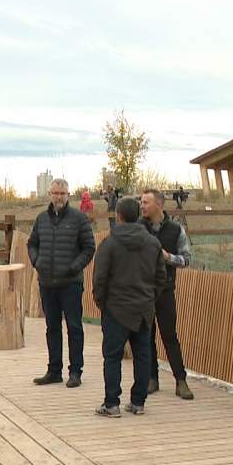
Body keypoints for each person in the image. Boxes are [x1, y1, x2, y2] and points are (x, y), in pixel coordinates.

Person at [92, 197, 168, 417]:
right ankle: (138, 402)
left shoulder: (109, 243)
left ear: (118, 216)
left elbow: (99, 279)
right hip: (143, 309)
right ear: (137, 214)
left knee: (112, 356)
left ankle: (112, 403)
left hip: (116, 309)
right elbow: (160, 277)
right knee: (143, 355)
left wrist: (103, 304)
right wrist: (149, 298)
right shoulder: (153, 243)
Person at [28, 178, 96, 388]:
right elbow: (32, 244)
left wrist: (74, 267)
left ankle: (75, 371)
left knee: (74, 327)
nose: (58, 197)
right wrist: (37, 261)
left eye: (62, 193)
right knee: (52, 327)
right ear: (50, 194)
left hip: (70, 283)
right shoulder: (41, 219)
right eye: (55, 193)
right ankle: (54, 370)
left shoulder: (79, 219)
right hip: (47, 282)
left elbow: (89, 247)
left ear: (69, 195)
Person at [139, 188, 194, 400]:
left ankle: (181, 381)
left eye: (146, 202)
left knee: (169, 336)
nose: (142, 206)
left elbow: (187, 259)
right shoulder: (138, 228)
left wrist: (168, 257)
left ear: (159, 205)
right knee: (146, 336)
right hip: (142, 291)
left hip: (165, 290)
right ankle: (152, 378)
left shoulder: (175, 229)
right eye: (141, 202)